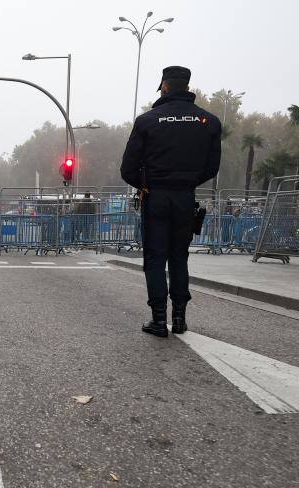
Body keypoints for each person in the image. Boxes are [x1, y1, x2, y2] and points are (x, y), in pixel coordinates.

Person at [120, 66, 222, 337]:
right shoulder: (209, 122)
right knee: (179, 257)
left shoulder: (147, 121)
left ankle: (158, 319)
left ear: (164, 86)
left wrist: (146, 185)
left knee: (155, 259)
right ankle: (179, 318)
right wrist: (186, 182)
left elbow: (127, 169)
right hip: (185, 197)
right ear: (187, 87)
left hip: (156, 196)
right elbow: (212, 167)